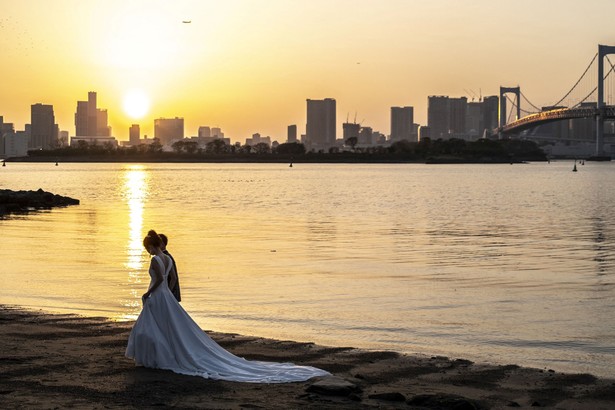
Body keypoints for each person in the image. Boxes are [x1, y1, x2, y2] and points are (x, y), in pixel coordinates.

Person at [125, 230, 330, 383]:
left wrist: (149, 293)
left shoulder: (154, 260)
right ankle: (160, 355)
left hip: (157, 296)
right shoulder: (168, 258)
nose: (147, 251)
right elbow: (172, 279)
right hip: (166, 297)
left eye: (147, 248)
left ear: (151, 246)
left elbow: (159, 279)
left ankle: (156, 357)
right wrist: (167, 293)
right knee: (168, 327)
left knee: (151, 327)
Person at [159, 233, 181, 302]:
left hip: (170, 292)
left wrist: (168, 292)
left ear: (162, 244)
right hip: (171, 292)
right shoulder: (166, 256)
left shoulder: (165, 257)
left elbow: (173, 278)